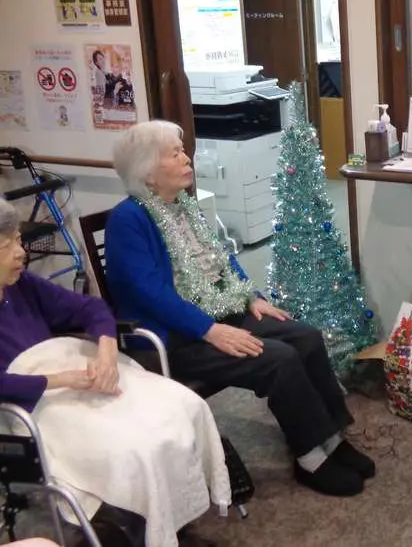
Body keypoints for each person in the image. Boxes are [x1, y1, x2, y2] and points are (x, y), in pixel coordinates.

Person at [104, 120, 375, 498]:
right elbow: (150, 293)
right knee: (279, 359)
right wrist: (209, 330)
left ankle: (331, 438)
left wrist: (251, 297)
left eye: (182, 151)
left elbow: (221, 259)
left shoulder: (184, 207)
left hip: (217, 311)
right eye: (175, 154)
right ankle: (311, 458)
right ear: (148, 172)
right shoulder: (128, 220)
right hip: (175, 337)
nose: (187, 158)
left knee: (307, 337)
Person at [0, 198, 230, 547]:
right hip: (29, 404)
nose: (21, 253)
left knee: (182, 404)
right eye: (7, 246)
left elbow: (91, 308)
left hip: (71, 372)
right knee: (137, 445)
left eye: (19, 239)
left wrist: (107, 352)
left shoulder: (23, 285)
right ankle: (144, 528)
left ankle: (167, 521)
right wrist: (61, 380)